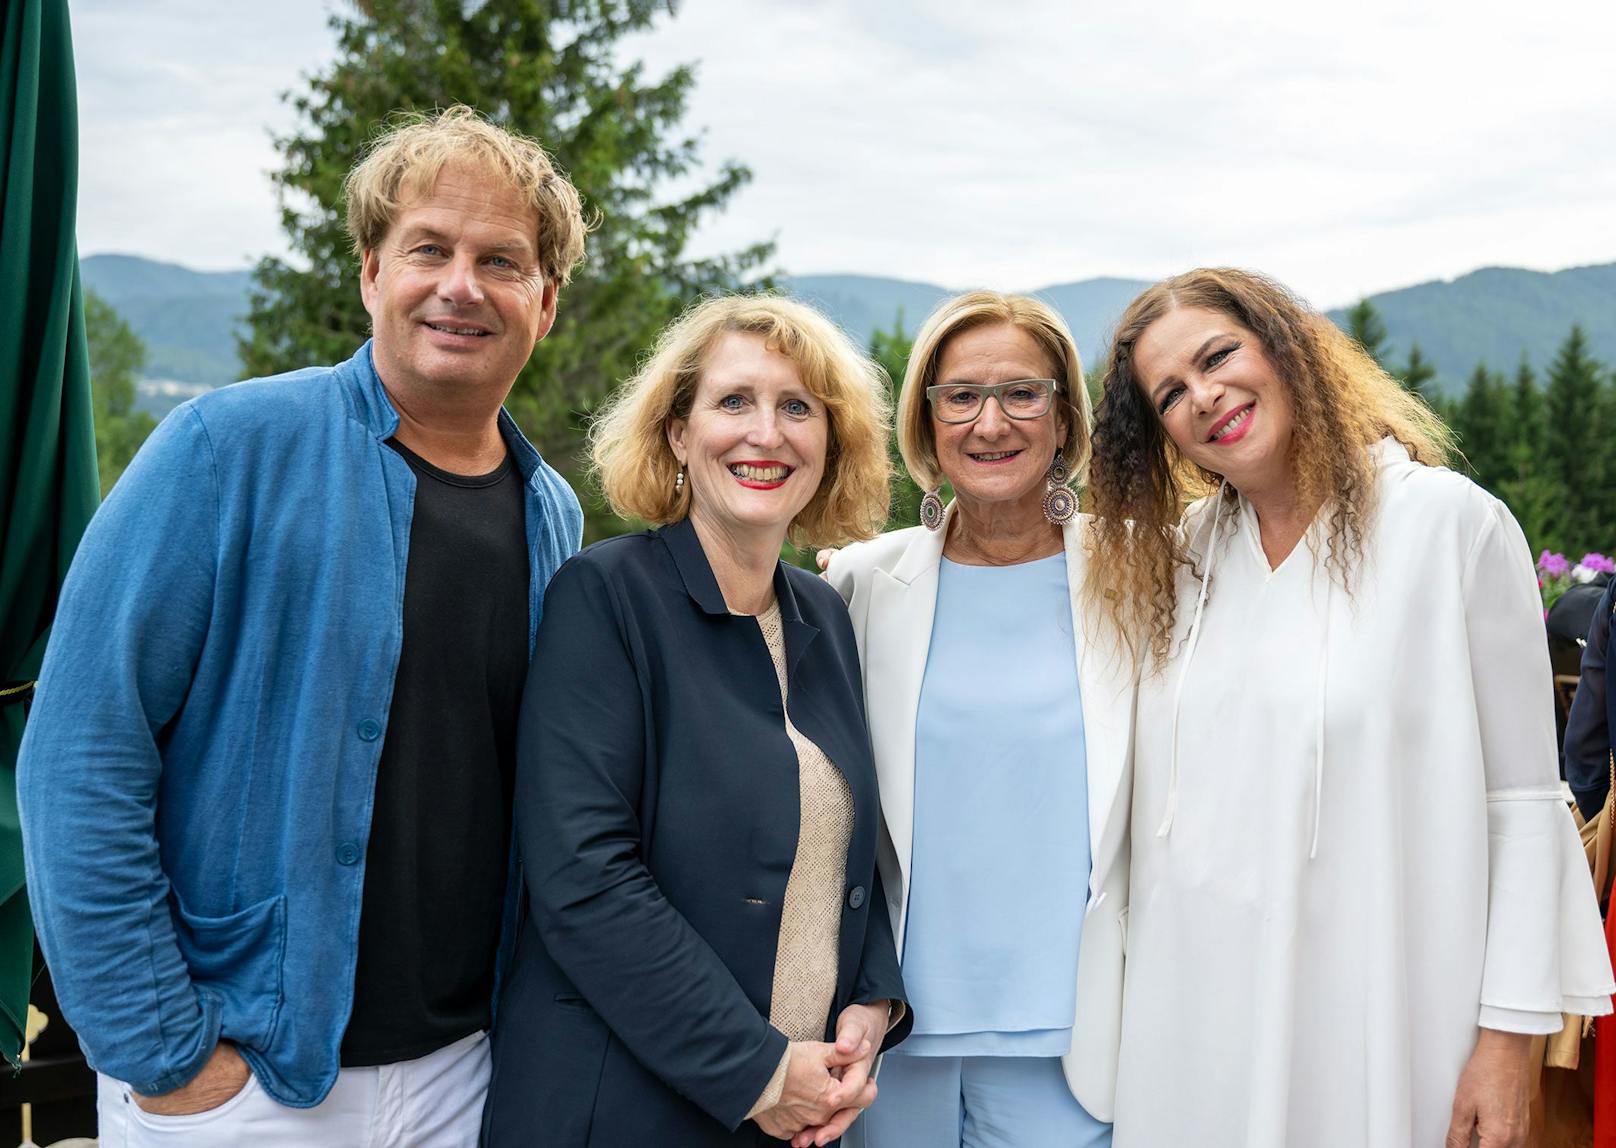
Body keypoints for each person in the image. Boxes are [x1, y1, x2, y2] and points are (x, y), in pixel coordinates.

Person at [18, 106, 588, 1146]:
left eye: (500, 260)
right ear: (372, 272)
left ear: (543, 302)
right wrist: (168, 1050)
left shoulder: (552, 513)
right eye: (429, 249)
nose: (461, 284)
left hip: (468, 1072)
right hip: (247, 1081)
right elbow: (79, 754)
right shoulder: (224, 449)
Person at [1083, 267, 1615, 1148]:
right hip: (1193, 1034)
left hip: (1390, 1019)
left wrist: (1508, 1041)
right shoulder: (1179, 567)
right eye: (1170, 393)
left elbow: (1523, 804)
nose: (1204, 396)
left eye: (1219, 356)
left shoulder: (1450, 528)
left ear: (1288, 347)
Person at [480, 294, 910, 1147]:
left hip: (796, 1115)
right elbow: (585, 882)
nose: (767, 433)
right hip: (619, 1104)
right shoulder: (605, 597)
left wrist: (872, 999)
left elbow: (844, 851)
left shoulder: (824, 615)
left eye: (798, 408)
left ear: (832, 443)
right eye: (733, 402)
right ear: (679, 433)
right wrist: (756, 1072)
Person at [824, 291, 1130, 1147]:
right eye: (961, 396)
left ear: (1064, 417)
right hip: (893, 1034)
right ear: (928, 421)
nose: (990, 422)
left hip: (1076, 1039)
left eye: (1022, 394)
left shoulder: (1145, 575)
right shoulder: (861, 582)